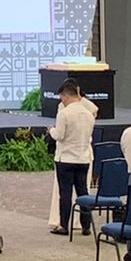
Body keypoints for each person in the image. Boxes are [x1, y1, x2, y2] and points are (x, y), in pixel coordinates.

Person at [48, 80, 96, 236]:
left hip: (66, 159)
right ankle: (86, 226)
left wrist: (51, 130)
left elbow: (60, 135)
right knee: (83, 192)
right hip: (83, 158)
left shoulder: (64, 113)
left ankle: (64, 225)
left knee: (66, 194)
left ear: (66, 96)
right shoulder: (89, 114)